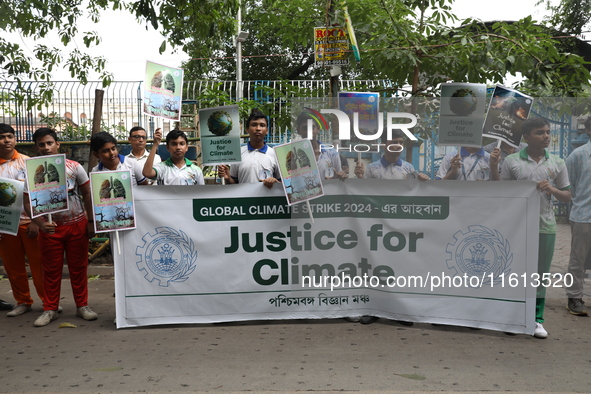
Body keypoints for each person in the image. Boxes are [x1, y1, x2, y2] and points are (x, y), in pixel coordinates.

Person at [499, 117, 571, 338]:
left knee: (540, 276)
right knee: (515, 273)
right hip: (517, 227)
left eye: (548, 132)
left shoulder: (557, 163)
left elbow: (568, 196)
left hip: (545, 226)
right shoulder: (511, 161)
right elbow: (503, 193)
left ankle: (537, 320)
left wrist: (551, 189)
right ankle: (513, 317)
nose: (546, 136)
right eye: (540, 132)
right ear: (527, 137)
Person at [24, 128, 97, 327]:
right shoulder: (31, 171)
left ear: (58, 144)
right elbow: (27, 202)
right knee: (50, 270)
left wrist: (91, 222)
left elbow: (88, 194)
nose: (46, 148)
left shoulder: (74, 167)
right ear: (36, 147)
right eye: (41, 144)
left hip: (77, 225)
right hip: (50, 229)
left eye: (49, 143)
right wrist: (40, 224)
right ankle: (50, 309)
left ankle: (83, 306)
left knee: (79, 268)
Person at [0, 123, 46, 317]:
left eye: (9, 136)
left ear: (15, 139)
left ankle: (48, 302)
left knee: (40, 266)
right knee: (13, 267)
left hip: (30, 223)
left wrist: (37, 221)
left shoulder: (28, 163)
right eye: (2, 137)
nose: (6, 140)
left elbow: (40, 193)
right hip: (5, 226)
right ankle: (23, 301)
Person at [564, 117, 591, 316]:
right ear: (589, 130)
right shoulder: (578, 155)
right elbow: (569, 184)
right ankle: (574, 297)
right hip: (584, 215)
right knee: (578, 259)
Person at [217, 109, 280, 189]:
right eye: (254, 125)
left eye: (262, 125)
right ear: (247, 129)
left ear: (267, 131)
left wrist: (275, 181)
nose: (258, 128)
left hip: (267, 201)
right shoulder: (238, 153)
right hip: (243, 201)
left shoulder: (274, 154)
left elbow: (282, 185)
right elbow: (233, 183)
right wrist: (228, 178)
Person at [294, 109, 347, 180]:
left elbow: (339, 180)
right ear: (298, 131)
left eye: (312, 128)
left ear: (318, 129)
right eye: (305, 128)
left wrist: (340, 176)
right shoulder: (293, 156)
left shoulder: (332, 154)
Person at [355, 131, 430, 181]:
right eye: (394, 142)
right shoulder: (371, 168)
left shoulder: (409, 168)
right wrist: (361, 178)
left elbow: (413, 190)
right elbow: (365, 191)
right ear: (383, 145)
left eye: (401, 142)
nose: (399, 146)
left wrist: (422, 181)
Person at [436, 145, 501, 181]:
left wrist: (494, 167)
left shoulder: (490, 158)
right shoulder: (450, 157)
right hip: (455, 201)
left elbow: (497, 187)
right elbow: (438, 186)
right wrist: (452, 172)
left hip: (480, 201)